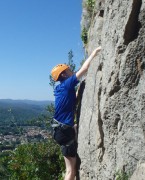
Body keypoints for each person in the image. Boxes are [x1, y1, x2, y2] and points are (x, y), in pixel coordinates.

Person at [51, 46, 101, 180]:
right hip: (64, 131)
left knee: (70, 168)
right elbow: (84, 70)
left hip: (59, 130)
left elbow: (73, 99)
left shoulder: (60, 88)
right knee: (70, 171)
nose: (71, 70)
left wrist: (79, 90)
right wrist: (94, 52)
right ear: (63, 74)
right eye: (68, 70)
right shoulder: (67, 84)